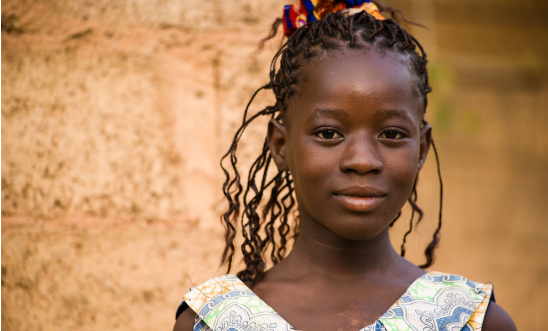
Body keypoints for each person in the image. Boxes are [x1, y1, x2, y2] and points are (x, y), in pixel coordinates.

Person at [173, 1, 516, 330]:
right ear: (281, 146)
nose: (363, 161)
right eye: (328, 133)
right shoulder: (213, 321)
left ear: (421, 148)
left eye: (392, 134)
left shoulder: (469, 319)